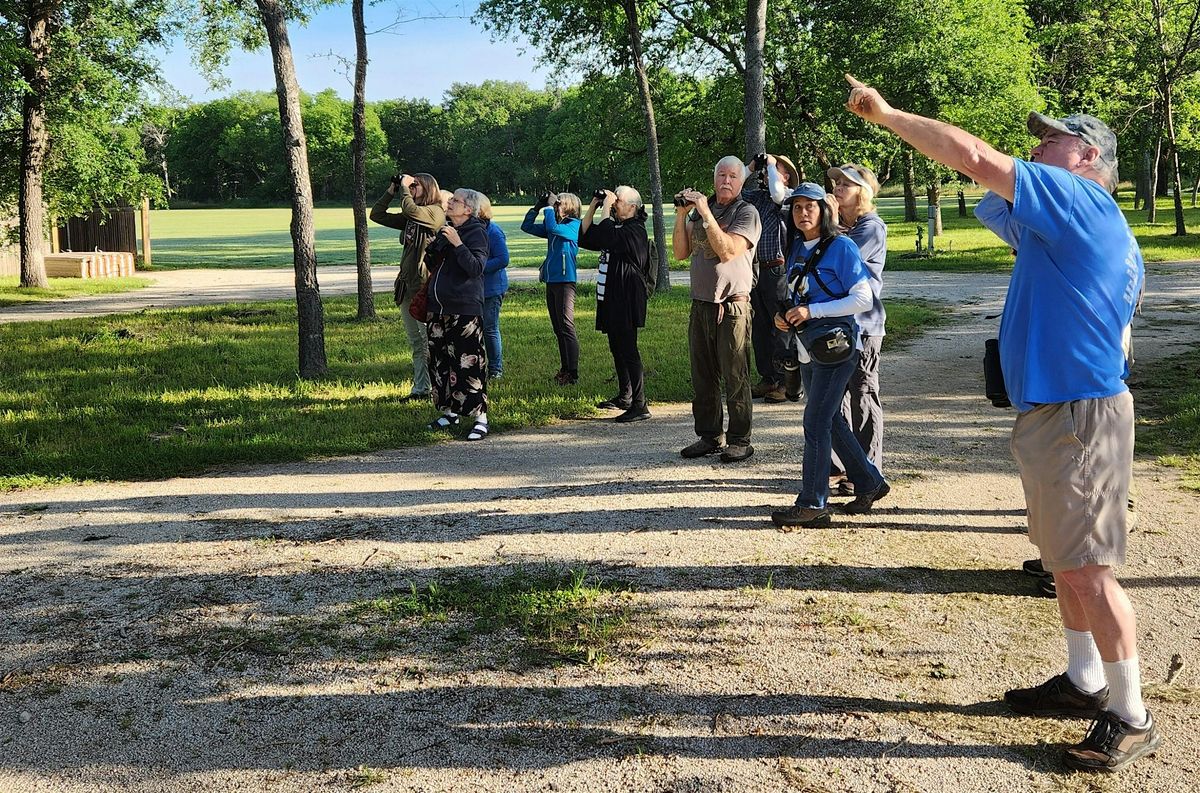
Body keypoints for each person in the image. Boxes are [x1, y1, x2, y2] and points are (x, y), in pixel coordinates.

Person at [845, 74, 1154, 771]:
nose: (1039, 141)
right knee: (1065, 562)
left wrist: (890, 115)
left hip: (1078, 413)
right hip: (1058, 413)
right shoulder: (1068, 221)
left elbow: (979, 161)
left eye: (1055, 136)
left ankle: (1131, 713)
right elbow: (993, 202)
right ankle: (1084, 680)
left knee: (1090, 569)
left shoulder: (1079, 201)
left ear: (1088, 159)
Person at [769, 183, 888, 529]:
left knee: (816, 421)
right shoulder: (796, 248)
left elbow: (863, 298)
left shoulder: (842, 246)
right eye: (797, 208)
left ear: (825, 210)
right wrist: (787, 315)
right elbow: (799, 295)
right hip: (808, 347)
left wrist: (813, 312)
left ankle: (812, 502)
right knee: (831, 420)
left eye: (810, 206)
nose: (803, 213)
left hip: (837, 347)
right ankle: (869, 482)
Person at [672, 157, 761, 463]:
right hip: (701, 303)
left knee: (735, 373)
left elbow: (727, 251)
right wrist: (683, 215)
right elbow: (681, 252)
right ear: (713, 178)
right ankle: (709, 435)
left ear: (741, 181)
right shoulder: (699, 212)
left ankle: (740, 439)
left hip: (733, 305)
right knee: (703, 375)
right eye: (721, 174)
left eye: (732, 176)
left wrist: (705, 212)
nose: (726, 181)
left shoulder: (746, 212)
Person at [826, 163, 887, 495]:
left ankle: (867, 469)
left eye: (846, 184)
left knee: (862, 395)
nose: (837, 188)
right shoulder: (844, 227)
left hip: (865, 326)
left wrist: (831, 223)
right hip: (839, 325)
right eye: (836, 183)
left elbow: (840, 260)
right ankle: (839, 466)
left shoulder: (872, 227)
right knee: (835, 398)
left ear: (862, 193)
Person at [421, 188, 492, 441]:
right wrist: (433, 249)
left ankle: (479, 417)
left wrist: (458, 244)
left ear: (468, 209)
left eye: (456, 201)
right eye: (450, 200)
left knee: (468, 363)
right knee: (441, 363)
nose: (449, 203)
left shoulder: (476, 232)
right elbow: (433, 265)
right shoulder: (448, 228)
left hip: (463, 309)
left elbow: (475, 268)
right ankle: (450, 411)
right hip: (438, 308)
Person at [580, 186, 654, 423]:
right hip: (611, 298)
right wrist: (594, 203)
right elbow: (585, 236)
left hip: (626, 298)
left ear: (633, 207)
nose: (613, 204)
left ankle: (640, 404)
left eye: (618, 200)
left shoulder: (635, 230)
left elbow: (607, 235)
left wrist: (604, 208)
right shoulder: (617, 227)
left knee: (628, 349)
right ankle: (625, 395)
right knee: (616, 346)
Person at [369, 172, 445, 401]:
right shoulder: (412, 217)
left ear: (429, 188)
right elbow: (377, 215)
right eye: (410, 186)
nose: (410, 189)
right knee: (416, 342)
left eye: (415, 186)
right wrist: (392, 189)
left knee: (427, 342)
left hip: (424, 288)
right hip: (407, 287)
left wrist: (403, 187)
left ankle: (433, 388)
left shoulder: (435, 212)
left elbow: (412, 210)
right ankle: (421, 388)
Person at [743, 154, 800, 404]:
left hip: (778, 268)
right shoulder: (757, 197)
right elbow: (734, 190)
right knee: (761, 328)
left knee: (782, 327)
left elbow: (777, 192)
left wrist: (769, 164)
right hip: (757, 269)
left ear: (785, 176)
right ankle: (768, 377)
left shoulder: (787, 197)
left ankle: (786, 381)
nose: (767, 173)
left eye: (775, 170)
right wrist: (750, 168)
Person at [521, 191, 582, 385]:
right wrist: (537, 207)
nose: (555, 206)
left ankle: (572, 372)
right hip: (552, 281)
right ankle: (564, 368)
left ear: (569, 206)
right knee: (558, 328)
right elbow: (527, 226)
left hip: (565, 281)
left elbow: (553, 228)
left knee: (566, 326)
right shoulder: (554, 226)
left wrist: (548, 208)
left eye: (558, 203)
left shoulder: (574, 226)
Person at [477, 194, 510, 380]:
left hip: (492, 288)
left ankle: (495, 369)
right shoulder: (473, 230)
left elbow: (503, 259)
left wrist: (479, 268)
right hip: (475, 288)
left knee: (490, 328)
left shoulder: (493, 231)